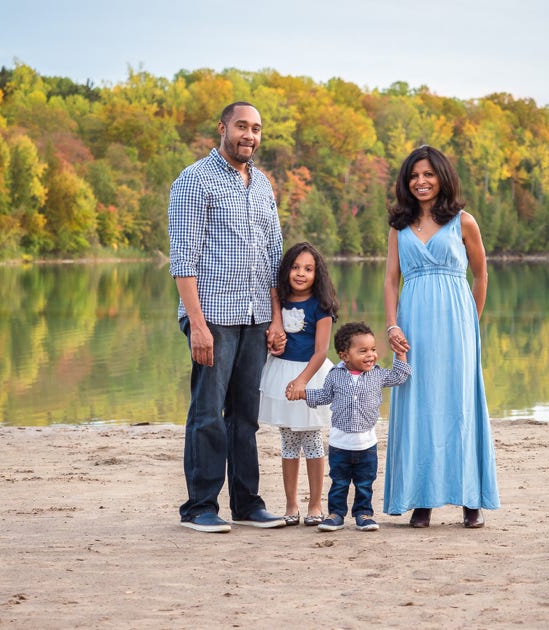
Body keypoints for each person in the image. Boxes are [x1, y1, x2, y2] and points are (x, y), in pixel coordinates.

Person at [168, 101, 287, 533]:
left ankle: (247, 503)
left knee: (246, 415)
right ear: (222, 128)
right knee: (207, 412)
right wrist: (197, 324)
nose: (249, 136)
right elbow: (184, 260)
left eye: (256, 129)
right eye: (241, 126)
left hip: (256, 317)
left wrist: (276, 319)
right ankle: (199, 506)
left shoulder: (262, 186)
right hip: (213, 316)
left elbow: (275, 258)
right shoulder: (194, 181)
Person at [383, 145, 500, 529]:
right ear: (406, 181)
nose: (421, 181)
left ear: (442, 177)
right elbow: (390, 279)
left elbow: (481, 274)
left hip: (457, 323)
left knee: (459, 405)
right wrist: (391, 325)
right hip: (413, 322)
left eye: (428, 174)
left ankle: (470, 500)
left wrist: (471, 319)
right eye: (414, 175)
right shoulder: (399, 227)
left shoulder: (464, 222)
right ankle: (422, 499)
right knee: (418, 403)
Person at [289, 322, 411, 532]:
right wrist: (304, 394)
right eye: (362, 351)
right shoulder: (335, 375)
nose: (370, 355)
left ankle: (364, 514)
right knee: (339, 482)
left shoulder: (378, 375)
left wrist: (400, 355)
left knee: (365, 483)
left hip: (367, 445)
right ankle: (336, 514)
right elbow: (325, 395)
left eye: (373, 349)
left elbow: (399, 377)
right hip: (340, 444)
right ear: (344, 355)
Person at [258, 242, 338, 527]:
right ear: (286, 270)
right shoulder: (278, 300)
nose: (301, 273)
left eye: (308, 269)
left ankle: (315, 504)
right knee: (289, 442)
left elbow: (321, 351)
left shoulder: (321, 306)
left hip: (310, 375)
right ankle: (291, 504)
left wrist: (302, 381)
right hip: (281, 374)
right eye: (295, 267)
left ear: (318, 274)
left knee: (313, 442)